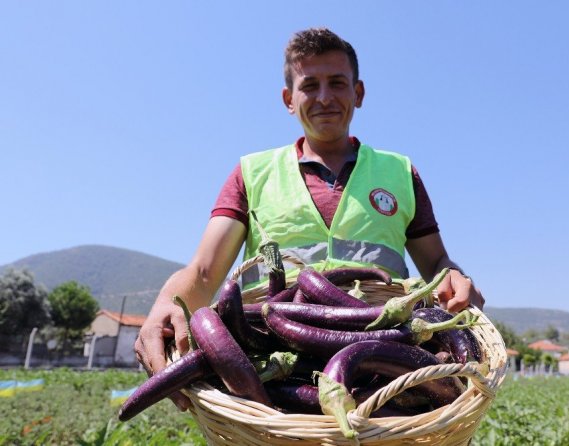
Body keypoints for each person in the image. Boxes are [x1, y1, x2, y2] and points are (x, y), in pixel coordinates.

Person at [134, 27, 485, 411]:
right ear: (289, 99)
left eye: (337, 83)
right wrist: (167, 302)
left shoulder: (400, 172)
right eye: (310, 85)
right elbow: (204, 271)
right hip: (273, 363)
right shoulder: (252, 173)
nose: (324, 97)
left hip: (384, 364)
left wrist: (454, 277)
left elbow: (436, 262)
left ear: (358, 93)